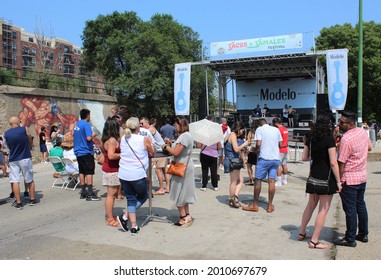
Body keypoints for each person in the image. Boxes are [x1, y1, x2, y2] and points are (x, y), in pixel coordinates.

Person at [298, 114, 341, 249]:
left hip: (313, 176)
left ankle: (302, 232)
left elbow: (304, 157)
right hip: (326, 178)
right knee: (324, 208)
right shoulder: (329, 140)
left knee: (310, 205)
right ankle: (314, 241)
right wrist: (339, 182)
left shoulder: (311, 138)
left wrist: (316, 155)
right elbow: (333, 163)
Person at [336, 111, 372, 247]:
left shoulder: (346, 139)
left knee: (350, 209)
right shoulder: (362, 132)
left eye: (342, 122)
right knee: (360, 205)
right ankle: (363, 234)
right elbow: (369, 147)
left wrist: (338, 181)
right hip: (362, 176)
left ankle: (350, 238)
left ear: (350, 124)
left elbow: (341, 162)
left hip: (349, 179)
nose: (339, 124)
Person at [117, 117, 154, 235]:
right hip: (137, 174)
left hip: (123, 173)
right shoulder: (144, 139)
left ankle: (133, 225)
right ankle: (125, 216)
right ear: (138, 127)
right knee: (144, 195)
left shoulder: (123, 138)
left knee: (131, 198)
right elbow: (152, 152)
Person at [162, 116, 197, 227]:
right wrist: (170, 143)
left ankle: (183, 217)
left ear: (181, 125)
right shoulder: (186, 135)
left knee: (178, 191)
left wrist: (165, 147)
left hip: (181, 166)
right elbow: (179, 148)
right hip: (185, 165)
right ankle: (187, 215)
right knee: (184, 191)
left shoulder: (184, 136)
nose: (175, 127)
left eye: (176, 125)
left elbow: (176, 152)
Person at [242, 118, 282, 213]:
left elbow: (258, 143)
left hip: (264, 158)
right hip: (275, 159)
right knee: (271, 181)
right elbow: (280, 144)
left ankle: (255, 205)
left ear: (258, 125)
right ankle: (269, 206)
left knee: (258, 181)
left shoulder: (260, 129)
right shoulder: (276, 129)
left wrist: (255, 149)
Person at [4, 116, 38, 208]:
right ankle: (32, 199)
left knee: (15, 180)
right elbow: (29, 139)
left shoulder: (6, 133)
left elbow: (9, 146)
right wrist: (30, 144)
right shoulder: (24, 129)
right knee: (29, 179)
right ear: (18, 122)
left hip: (13, 159)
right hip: (25, 157)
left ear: (10, 124)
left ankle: (18, 202)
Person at [73, 108, 100, 201]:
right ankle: (90, 193)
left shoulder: (77, 124)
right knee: (89, 172)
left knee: (82, 171)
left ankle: (83, 192)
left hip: (78, 151)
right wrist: (94, 135)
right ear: (87, 115)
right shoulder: (86, 124)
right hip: (86, 151)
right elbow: (88, 138)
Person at [224, 121, 250, 208]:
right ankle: (232, 199)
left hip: (230, 159)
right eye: (242, 130)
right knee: (234, 182)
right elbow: (236, 149)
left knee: (240, 179)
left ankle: (234, 196)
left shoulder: (228, 135)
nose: (243, 132)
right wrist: (245, 143)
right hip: (233, 160)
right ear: (238, 129)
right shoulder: (233, 136)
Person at [101, 117, 122, 228]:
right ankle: (109, 219)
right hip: (112, 170)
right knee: (111, 195)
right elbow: (111, 155)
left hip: (109, 169)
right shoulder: (112, 140)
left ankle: (110, 216)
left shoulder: (106, 139)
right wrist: (122, 155)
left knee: (111, 195)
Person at [149, 118, 171, 195]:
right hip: (163, 150)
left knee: (158, 170)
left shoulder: (150, 129)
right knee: (165, 169)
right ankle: (167, 187)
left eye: (142, 123)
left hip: (159, 151)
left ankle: (161, 189)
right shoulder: (155, 129)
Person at [273, 118, 289, 187]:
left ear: (276, 123)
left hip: (280, 149)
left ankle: (279, 181)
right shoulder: (285, 129)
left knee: (278, 165)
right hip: (285, 148)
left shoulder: (278, 130)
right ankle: (285, 180)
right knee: (284, 165)